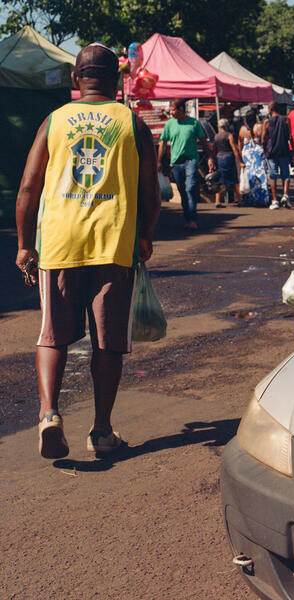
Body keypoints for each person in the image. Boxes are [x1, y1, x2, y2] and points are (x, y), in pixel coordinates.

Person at [15, 43, 161, 459]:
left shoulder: (55, 121)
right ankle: (100, 430)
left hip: (60, 241)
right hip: (113, 243)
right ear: (116, 82)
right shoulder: (132, 124)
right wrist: (146, 234)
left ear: (76, 79)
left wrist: (26, 244)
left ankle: (49, 415)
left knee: (52, 335)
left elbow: (29, 187)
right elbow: (149, 190)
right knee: (108, 341)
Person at [157, 98, 213, 230]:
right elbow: (163, 143)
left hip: (191, 161)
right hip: (176, 163)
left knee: (190, 188)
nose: (170, 112)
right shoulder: (169, 124)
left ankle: (192, 219)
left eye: (173, 109)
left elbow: (204, 141)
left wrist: (210, 157)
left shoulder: (194, 123)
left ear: (181, 109)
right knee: (182, 191)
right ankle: (188, 217)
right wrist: (159, 160)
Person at [262, 102, 293, 209]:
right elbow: (290, 136)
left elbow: (263, 138)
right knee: (286, 175)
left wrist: (264, 149)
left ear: (270, 109)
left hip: (271, 151)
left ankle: (275, 200)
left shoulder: (267, 122)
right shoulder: (286, 120)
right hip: (284, 150)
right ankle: (285, 195)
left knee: (273, 175)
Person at [241, 118, 271, 208]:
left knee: (249, 175)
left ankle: (249, 198)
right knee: (261, 174)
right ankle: (261, 198)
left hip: (246, 152)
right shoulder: (259, 127)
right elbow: (265, 139)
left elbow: (239, 142)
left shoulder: (242, 129)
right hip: (258, 152)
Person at [214, 118, 243, 207]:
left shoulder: (216, 136)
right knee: (234, 179)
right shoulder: (229, 135)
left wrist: (213, 160)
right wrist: (240, 161)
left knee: (219, 180)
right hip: (228, 158)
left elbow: (214, 150)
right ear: (227, 126)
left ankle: (217, 201)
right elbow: (234, 149)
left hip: (219, 158)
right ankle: (239, 200)